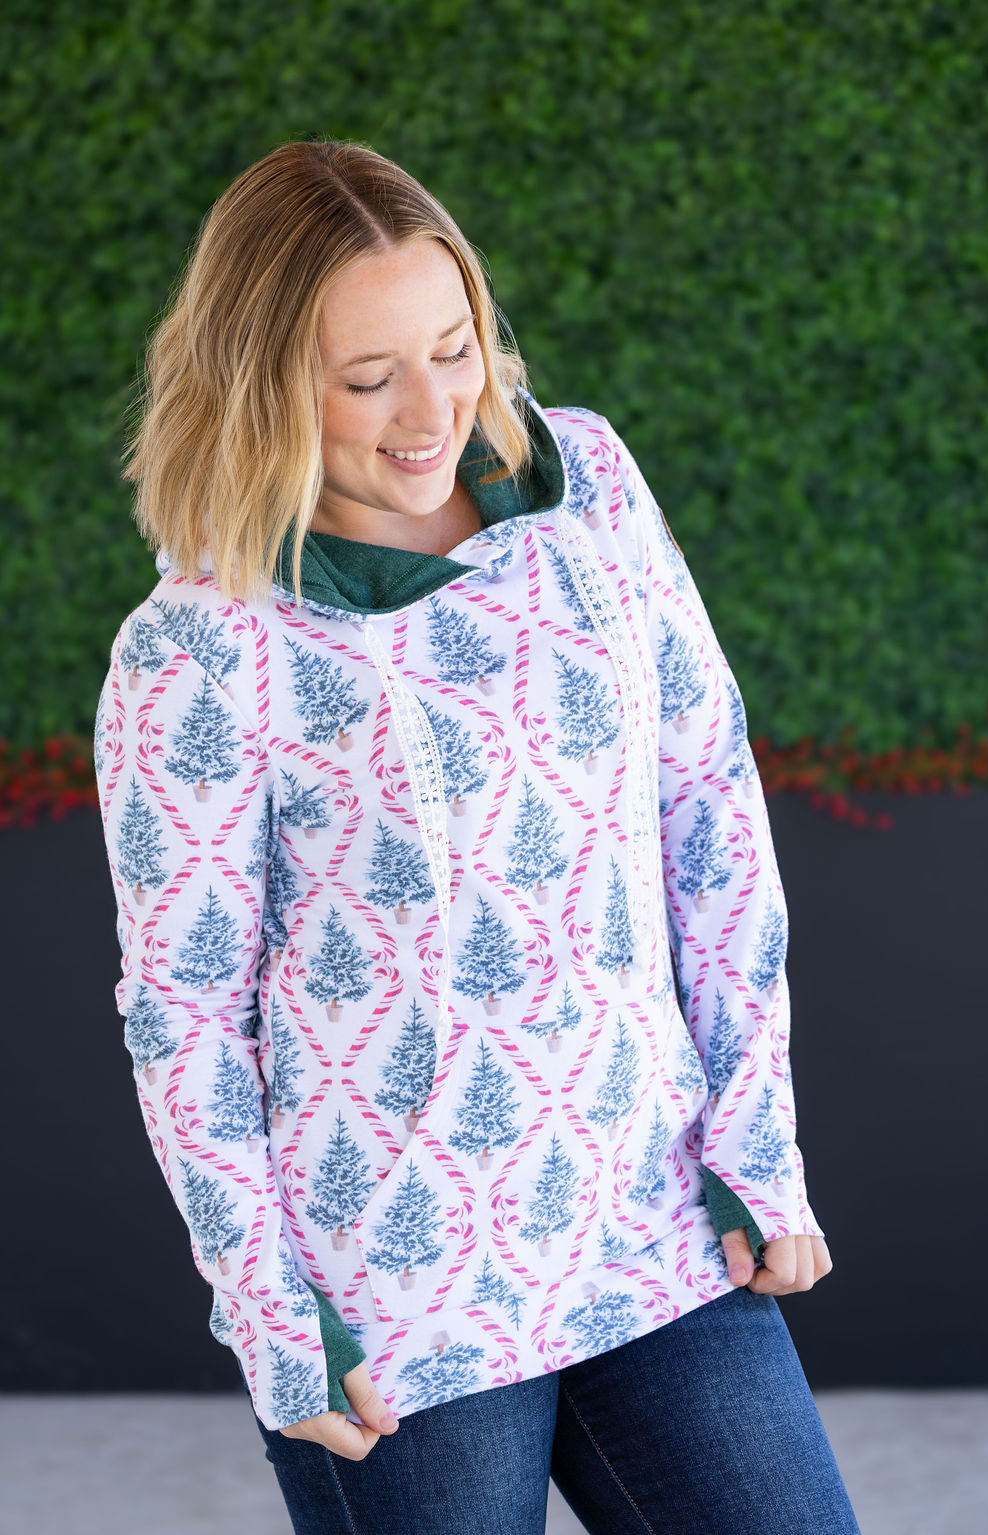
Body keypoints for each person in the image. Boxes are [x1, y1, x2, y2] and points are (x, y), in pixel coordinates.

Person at [94, 138, 861, 1534]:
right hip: (391, 1301)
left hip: (649, 1228)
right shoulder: (199, 652)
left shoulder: (594, 491)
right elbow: (185, 1014)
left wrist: (755, 1143)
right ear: (260, 384)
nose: (429, 411)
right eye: (367, 376)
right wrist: (273, 1312)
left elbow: (708, 809)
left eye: (453, 349)